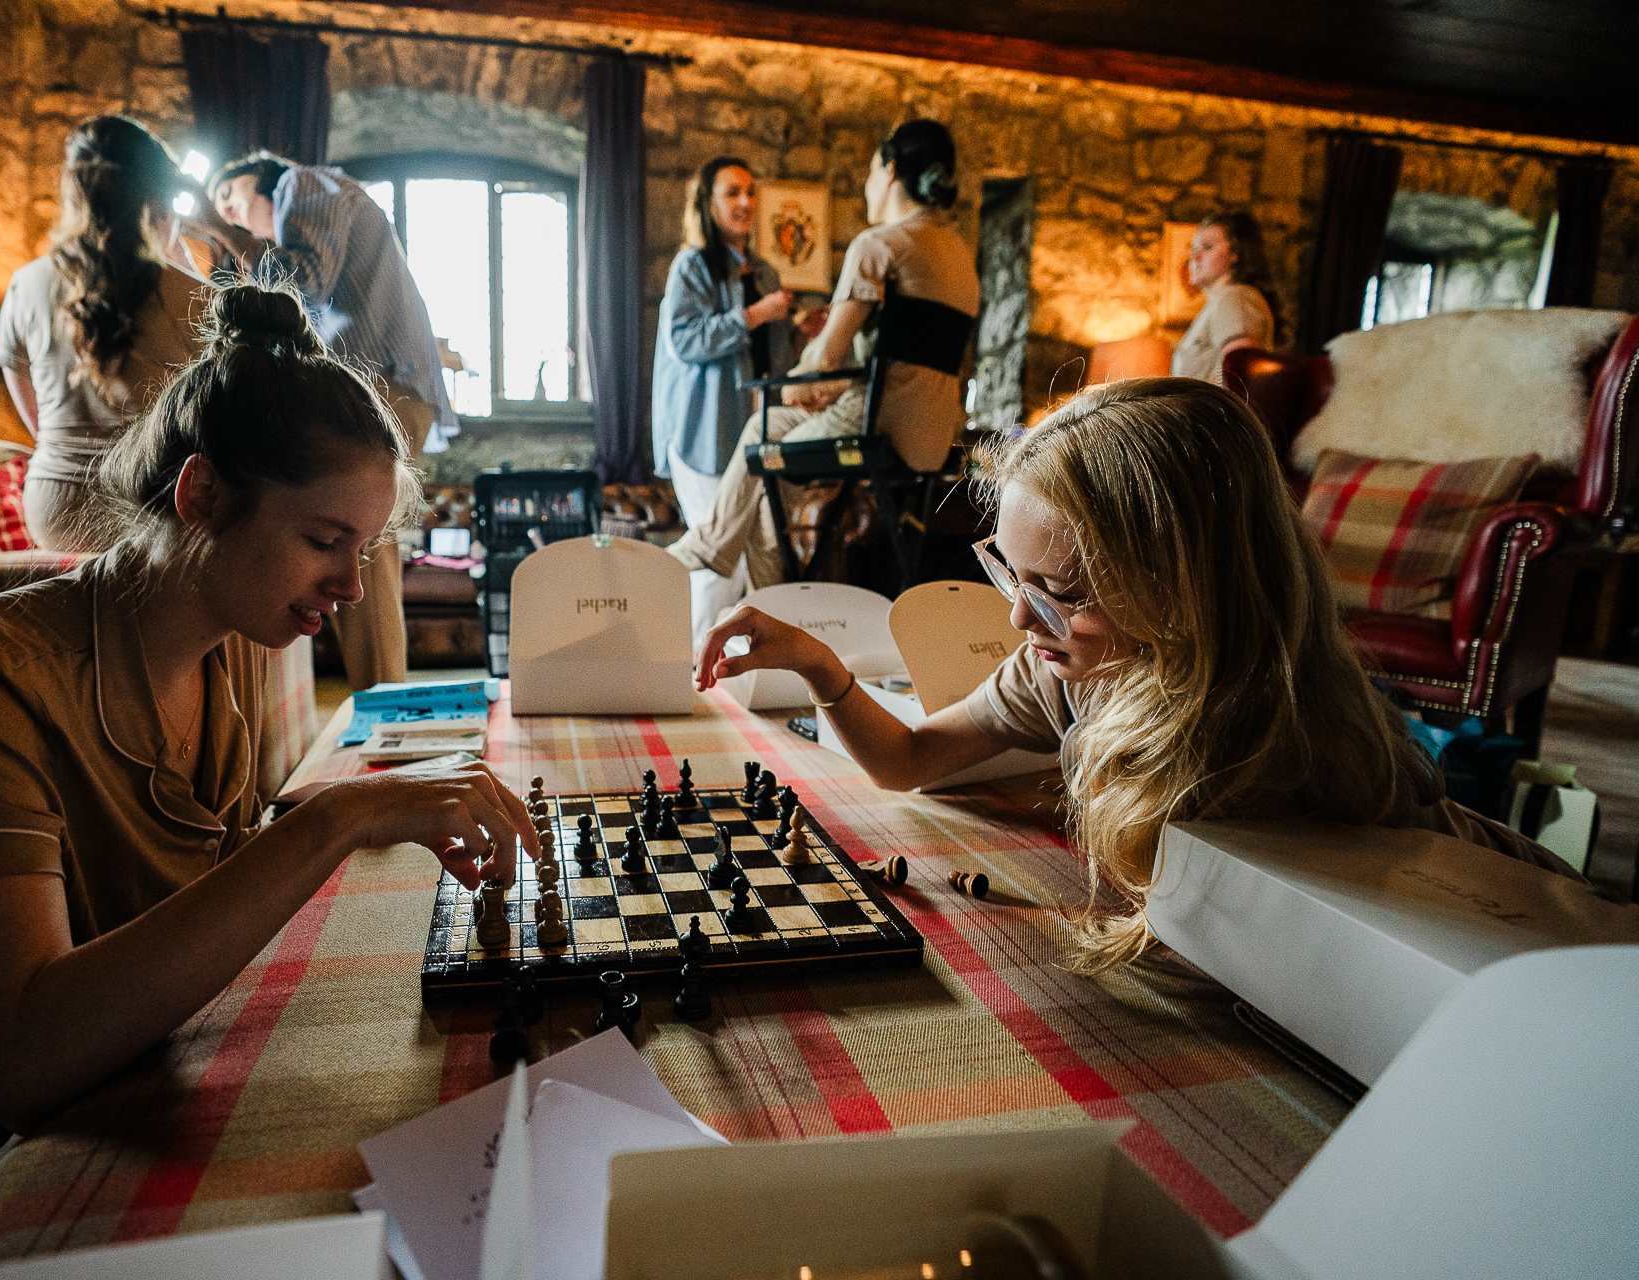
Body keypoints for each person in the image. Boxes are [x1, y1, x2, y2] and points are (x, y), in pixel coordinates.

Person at [0, 284, 540, 1279]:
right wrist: (333, 821)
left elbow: (196, 887)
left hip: (70, 1116)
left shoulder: (224, 647)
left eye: (363, 549)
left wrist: (348, 812)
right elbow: (21, 1059)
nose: (354, 585)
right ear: (200, 496)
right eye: (327, 540)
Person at [693, 378, 1587, 973]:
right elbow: (910, 757)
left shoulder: (1268, 748)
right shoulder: (1070, 668)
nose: (1017, 617)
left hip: (1527, 934)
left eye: (1063, 591)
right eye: (1011, 573)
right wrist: (822, 668)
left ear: (1188, 587)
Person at [667, 120, 978, 593]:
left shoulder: (878, 246)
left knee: (762, 431)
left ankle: (710, 549)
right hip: (933, 436)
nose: (868, 183)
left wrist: (801, 388)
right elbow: (904, 363)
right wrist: (826, 384)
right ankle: (771, 608)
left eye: (871, 170)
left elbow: (826, 357)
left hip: (876, 426)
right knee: (772, 508)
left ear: (890, 170)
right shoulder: (959, 256)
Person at [200, 151, 459, 690]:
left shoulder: (303, 183)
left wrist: (220, 238)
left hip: (382, 381)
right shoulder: (313, 202)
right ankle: (383, 696)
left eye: (231, 198)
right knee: (362, 538)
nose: (230, 215)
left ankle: (384, 700)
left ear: (263, 179)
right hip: (386, 379)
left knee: (361, 540)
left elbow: (306, 281)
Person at [0, 115, 207, 551]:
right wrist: (183, 251)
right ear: (158, 194)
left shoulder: (25, 282)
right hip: (148, 507)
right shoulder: (190, 293)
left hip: (53, 506)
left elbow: (28, 402)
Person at [651, 156, 794, 645]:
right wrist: (756, 315)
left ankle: (730, 675)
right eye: (732, 192)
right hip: (701, 433)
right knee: (718, 562)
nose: (745, 202)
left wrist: (796, 329)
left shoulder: (768, 275)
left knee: (747, 563)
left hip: (752, 438)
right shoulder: (691, 266)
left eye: (751, 192)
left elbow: (776, 365)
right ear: (708, 203)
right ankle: (691, 671)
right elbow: (685, 342)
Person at [1170, 211, 1281, 384]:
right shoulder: (1219, 303)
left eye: (1207, 247)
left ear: (1235, 253)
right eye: (1193, 249)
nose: (1195, 257)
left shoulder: (1235, 297)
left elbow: (1239, 375)